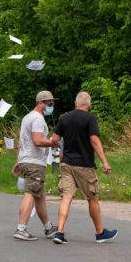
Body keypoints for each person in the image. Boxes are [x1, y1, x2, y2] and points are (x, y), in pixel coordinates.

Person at [50, 92, 117, 244]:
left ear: (75, 103)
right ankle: (100, 232)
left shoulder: (65, 118)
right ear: (89, 105)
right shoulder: (90, 119)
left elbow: (54, 139)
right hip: (84, 165)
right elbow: (94, 140)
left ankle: (59, 232)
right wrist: (105, 162)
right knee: (92, 198)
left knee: (66, 197)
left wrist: (61, 151)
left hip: (66, 164)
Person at [11, 90, 59, 241]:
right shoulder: (38, 119)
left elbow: (22, 142)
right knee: (31, 193)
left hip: (27, 160)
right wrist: (54, 142)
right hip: (34, 162)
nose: (52, 106)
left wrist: (19, 161)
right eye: (50, 103)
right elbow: (37, 141)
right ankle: (21, 228)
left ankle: (48, 227)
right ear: (40, 103)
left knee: (40, 196)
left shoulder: (27, 118)